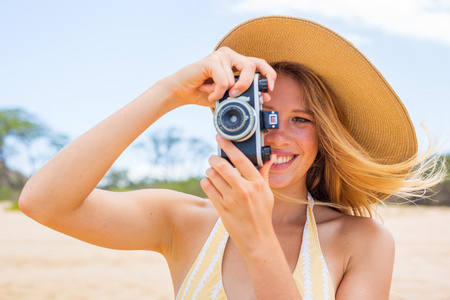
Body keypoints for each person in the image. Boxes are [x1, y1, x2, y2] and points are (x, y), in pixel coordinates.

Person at [19, 16, 444, 300]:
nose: (276, 136)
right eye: (262, 116)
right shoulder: (182, 221)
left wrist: (257, 240)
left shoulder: (362, 242)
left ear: (324, 137)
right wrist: (167, 92)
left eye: (300, 119)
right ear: (228, 119)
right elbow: (43, 202)